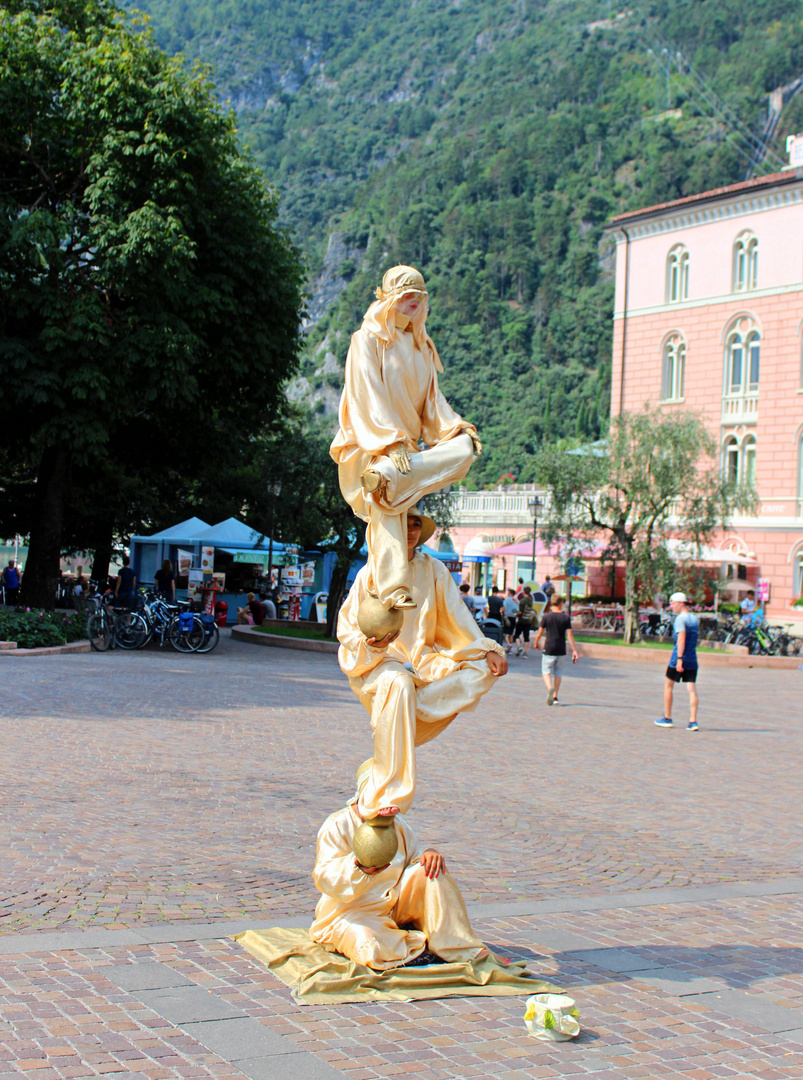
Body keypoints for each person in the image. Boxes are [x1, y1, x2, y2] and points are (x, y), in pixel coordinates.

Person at [337, 505, 507, 820]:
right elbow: (347, 628)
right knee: (399, 684)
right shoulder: (372, 571)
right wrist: (372, 646)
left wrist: (487, 650)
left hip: (425, 661)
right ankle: (386, 793)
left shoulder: (434, 569)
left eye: (416, 524)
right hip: (380, 662)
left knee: (481, 670)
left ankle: (391, 740)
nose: (412, 530)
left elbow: (459, 616)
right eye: (404, 523)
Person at [329, 265, 481, 611]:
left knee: (464, 449)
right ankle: (392, 586)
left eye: (420, 297)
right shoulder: (367, 339)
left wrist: (457, 429)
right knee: (389, 503)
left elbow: (433, 405)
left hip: (409, 457)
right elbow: (366, 394)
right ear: (390, 298)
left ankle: (392, 478)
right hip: (373, 444)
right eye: (407, 296)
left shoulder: (421, 348)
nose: (414, 303)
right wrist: (390, 441)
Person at [310, 768, 488, 971]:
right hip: (350, 913)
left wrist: (429, 853)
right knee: (369, 945)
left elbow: (415, 858)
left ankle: (455, 944)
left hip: (394, 906)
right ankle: (415, 945)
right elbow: (325, 879)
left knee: (432, 870)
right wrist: (358, 867)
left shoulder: (398, 825)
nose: (392, 808)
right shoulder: (337, 825)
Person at [654, 592, 700, 732]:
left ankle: (667, 717)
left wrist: (679, 659)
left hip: (678, 658)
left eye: (673, 603)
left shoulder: (680, 619)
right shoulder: (695, 619)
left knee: (668, 685)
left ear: (682, 603)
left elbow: (681, 639)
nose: (671, 606)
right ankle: (693, 721)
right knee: (691, 689)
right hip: (692, 658)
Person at [533, 594, 578, 706]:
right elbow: (570, 634)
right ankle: (555, 696)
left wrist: (536, 642)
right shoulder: (565, 617)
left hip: (549, 647)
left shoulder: (546, 616)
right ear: (561, 603)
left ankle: (550, 689)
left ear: (552, 603)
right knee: (558, 673)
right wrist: (574, 650)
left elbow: (540, 632)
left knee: (546, 671)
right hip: (561, 648)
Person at [512, 585, 535, 657]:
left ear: (523, 592)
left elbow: (520, 612)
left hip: (521, 620)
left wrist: (515, 614)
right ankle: (525, 653)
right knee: (526, 637)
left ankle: (519, 647)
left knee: (516, 635)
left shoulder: (522, 601)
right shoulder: (530, 601)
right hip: (528, 620)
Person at [502, 587, 519, 653]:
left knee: (506, 633)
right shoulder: (516, 600)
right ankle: (510, 648)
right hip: (513, 617)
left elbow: (503, 609)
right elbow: (517, 610)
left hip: (507, 617)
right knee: (511, 633)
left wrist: (503, 615)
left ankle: (508, 645)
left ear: (510, 593)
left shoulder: (506, 600)